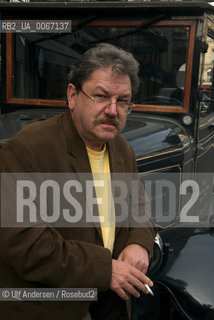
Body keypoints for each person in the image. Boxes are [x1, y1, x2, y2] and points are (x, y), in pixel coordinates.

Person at [0, 43, 156, 320]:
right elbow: (25, 244)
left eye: (123, 101)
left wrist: (139, 242)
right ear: (72, 95)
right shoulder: (27, 149)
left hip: (113, 300)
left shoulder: (122, 148)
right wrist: (104, 270)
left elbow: (139, 206)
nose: (112, 110)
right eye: (101, 96)